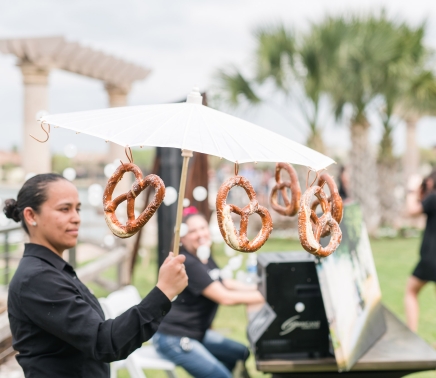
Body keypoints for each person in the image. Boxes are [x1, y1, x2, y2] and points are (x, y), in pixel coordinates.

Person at [4, 173, 188, 377]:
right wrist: (163, 292)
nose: (76, 218)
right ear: (31, 216)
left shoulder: (52, 270)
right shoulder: (36, 278)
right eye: (64, 209)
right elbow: (105, 343)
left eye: (78, 209)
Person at [153, 208, 265, 378]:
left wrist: (260, 289)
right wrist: (266, 298)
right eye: (193, 231)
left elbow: (223, 282)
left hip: (197, 333)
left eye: (203, 228)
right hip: (174, 337)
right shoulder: (188, 262)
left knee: (241, 353)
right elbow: (225, 297)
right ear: (182, 237)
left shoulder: (203, 256)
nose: (200, 234)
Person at [404, 170, 436, 332]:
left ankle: (411, 334)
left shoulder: (433, 197)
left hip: (431, 259)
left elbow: (412, 211)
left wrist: (411, 190)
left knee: (411, 291)